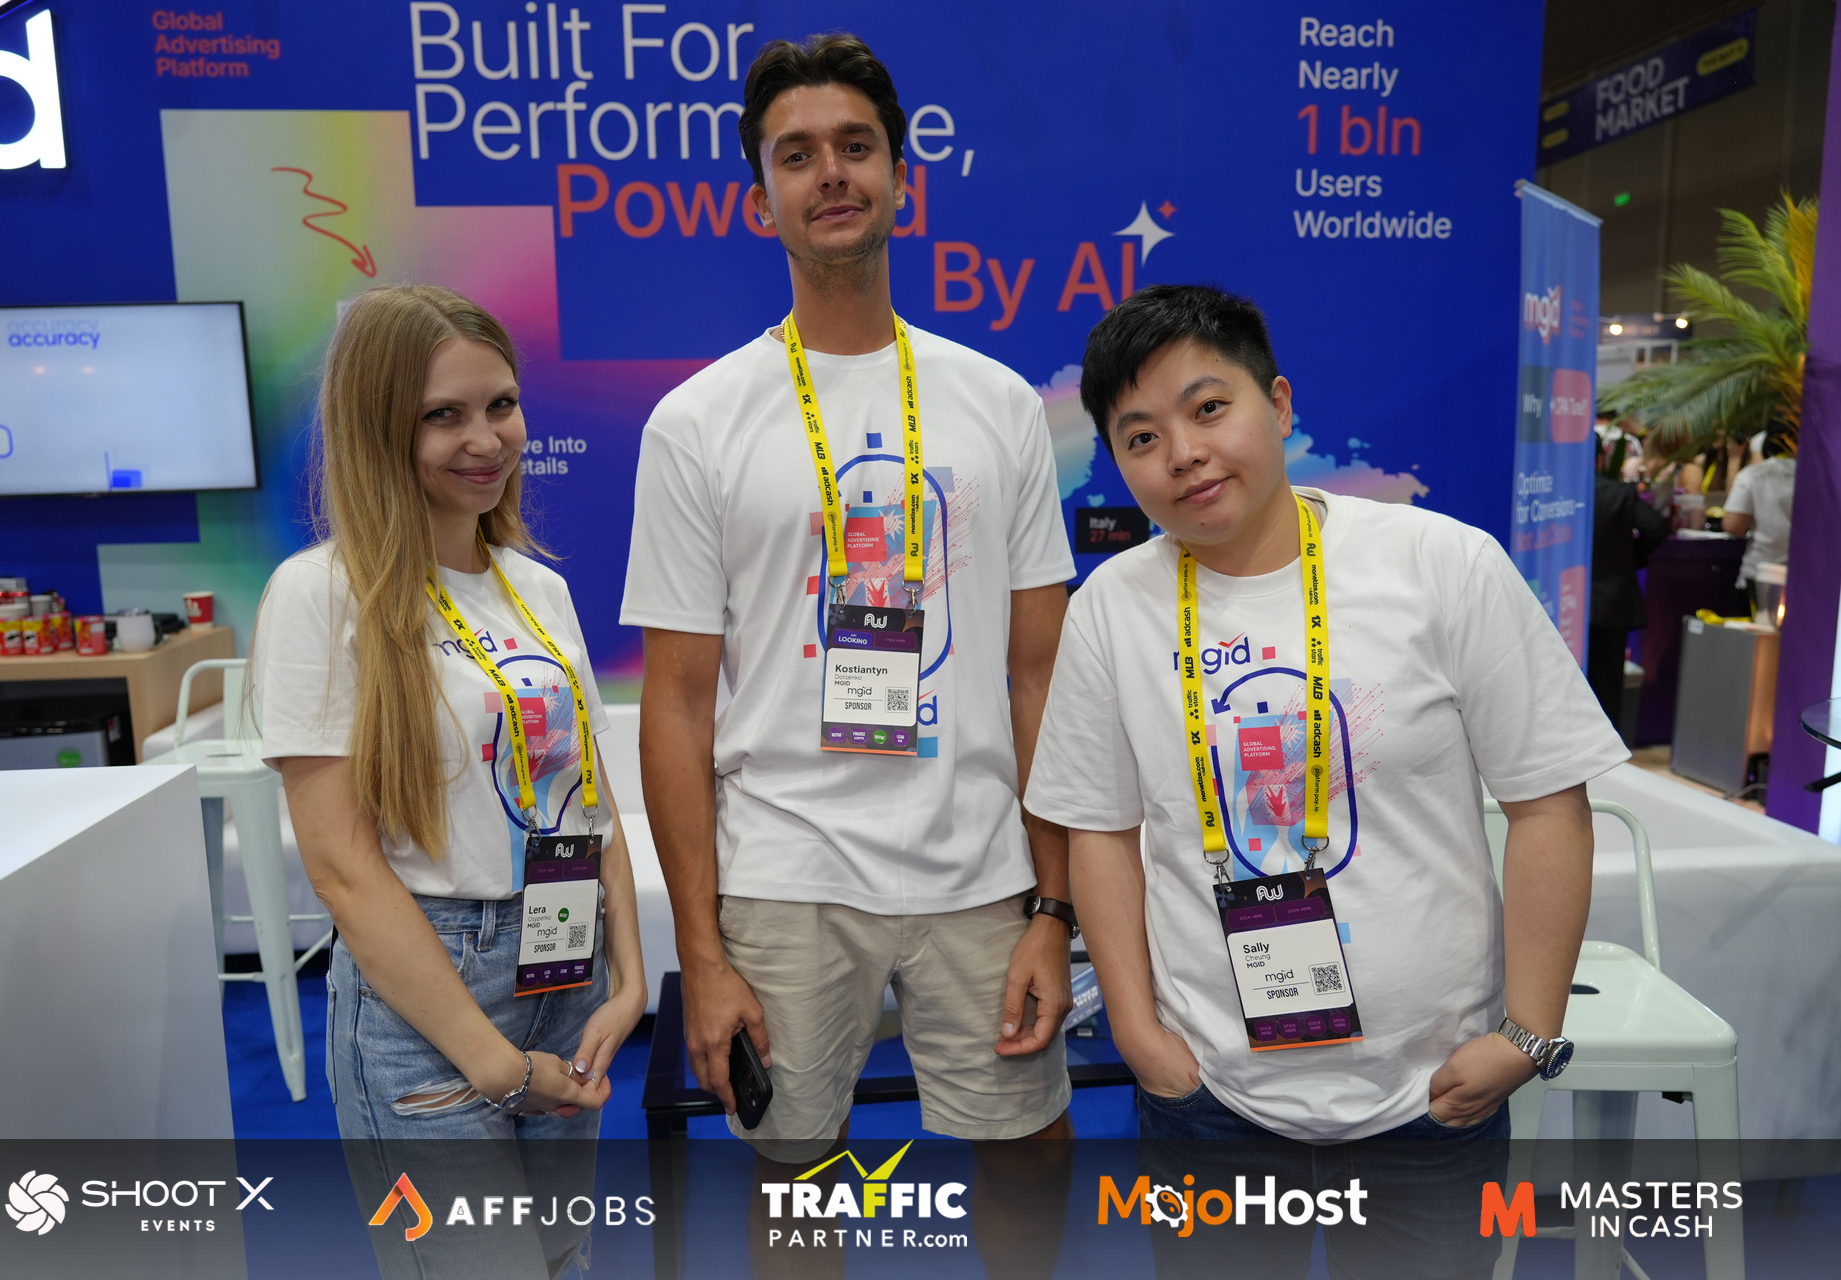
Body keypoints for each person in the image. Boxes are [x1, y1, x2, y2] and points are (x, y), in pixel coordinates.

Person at [1024, 285, 1628, 1276]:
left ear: (1279, 404)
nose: (1182, 453)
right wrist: (1136, 1029)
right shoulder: (1113, 609)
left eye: (1208, 408)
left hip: (1431, 1093)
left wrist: (1528, 1032)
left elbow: (1549, 802)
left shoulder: (1440, 565)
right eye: (1141, 437)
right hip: (1211, 1095)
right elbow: (1101, 829)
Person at [620, 29, 1076, 1268]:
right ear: (757, 196)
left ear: (900, 178)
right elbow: (677, 703)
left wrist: (1054, 905)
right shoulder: (697, 422)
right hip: (786, 866)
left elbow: (1041, 672)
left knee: (1032, 1146)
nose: (830, 172)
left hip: (977, 864)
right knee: (798, 1171)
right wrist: (699, 949)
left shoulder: (998, 403)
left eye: (855, 147)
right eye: (796, 153)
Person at [253, 285, 646, 1276]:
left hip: (566, 969)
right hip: (428, 1001)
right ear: (379, 427)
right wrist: (495, 1063)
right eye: (443, 414)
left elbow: (589, 796)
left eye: (500, 404)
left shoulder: (537, 584)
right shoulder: (321, 593)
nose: (486, 439)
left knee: (561, 1260)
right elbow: (343, 870)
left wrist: (631, 978)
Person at [1589, 443, 1669, 738]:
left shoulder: (1551, 491)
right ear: (1600, 459)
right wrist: (1629, 559)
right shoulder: (1618, 493)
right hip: (1610, 603)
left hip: (1560, 601)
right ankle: (1608, 752)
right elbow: (1656, 528)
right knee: (1607, 688)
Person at [1722, 431, 1796, 606]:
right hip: (1807, 579)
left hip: (1760, 575)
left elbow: (1733, 526)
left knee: (1758, 623)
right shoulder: (1822, 477)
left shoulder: (1753, 474)